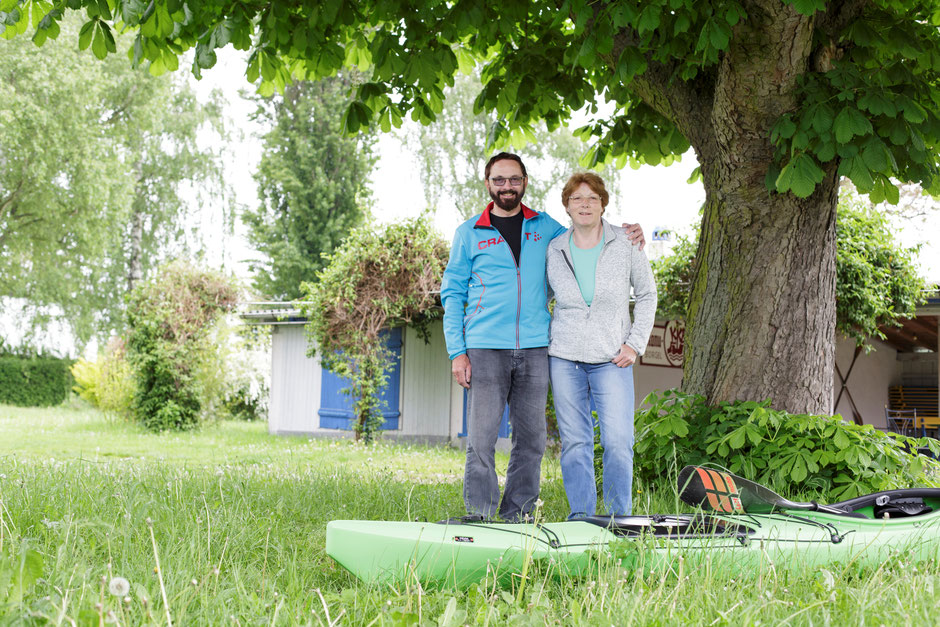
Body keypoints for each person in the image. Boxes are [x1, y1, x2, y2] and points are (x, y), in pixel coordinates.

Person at [441, 153, 644, 521]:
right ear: (488, 183)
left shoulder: (546, 228)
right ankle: (482, 516)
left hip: (536, 348)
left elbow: (585, 234)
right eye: (499, 180)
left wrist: (631, 232)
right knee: (482, 439)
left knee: (532, 440)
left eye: (514, 179)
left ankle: (517, 514)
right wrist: (458, 351)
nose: (507, 186)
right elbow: (452, 294)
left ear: (524, 182)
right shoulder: (468, 233)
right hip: (485, 347)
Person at [546, 172, 657, 519]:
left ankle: (617, 518)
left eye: (592, 198)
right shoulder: (555, 248)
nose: (584, 204)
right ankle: (582, 519)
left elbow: (648, 294)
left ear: (603, 204)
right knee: (576, 444)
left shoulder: (626, 243)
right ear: (566, 206)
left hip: (613, 359)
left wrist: (635, 345)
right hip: (565, 358)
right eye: (577, 198)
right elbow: (541, 296)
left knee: (618, 443)